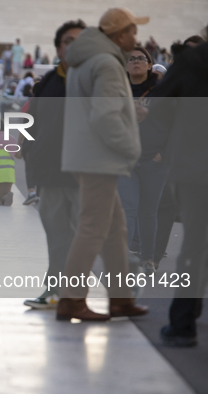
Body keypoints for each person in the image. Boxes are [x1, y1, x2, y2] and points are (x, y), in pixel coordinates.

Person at [58, 8, 150, 320]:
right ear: (118, 35)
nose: (136, 38)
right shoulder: (108, 64)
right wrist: (130, 148)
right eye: (132, 31)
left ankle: (120, 299)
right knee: (93, 227)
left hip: (89, 156)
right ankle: (71, 299)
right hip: (100, 158)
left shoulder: (86, 61)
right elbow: (106, 116)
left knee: (115, 230)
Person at [22, 19, 86, 309]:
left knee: (82, 238)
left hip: (84, 173)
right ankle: (56, 291)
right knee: (58, 238)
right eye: (68, 41)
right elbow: (33, 125)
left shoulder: (96, 78)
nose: (74, 46)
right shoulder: (48, 81)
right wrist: (32, 162)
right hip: (51, 173)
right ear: (59, 47)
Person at [150, 41, 208, 347]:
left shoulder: (192, 61)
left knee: (195, 244)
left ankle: (184, 323)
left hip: (196, 164)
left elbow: (159, 103)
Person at [117, 46, 167, 275]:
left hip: (154, 161)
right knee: (129, 208)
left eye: (141, 59)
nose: (136, 62)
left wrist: (165, 152)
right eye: (131, 59)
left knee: (148, 211)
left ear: (149, 65)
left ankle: (148, 257)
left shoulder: (162, 91)